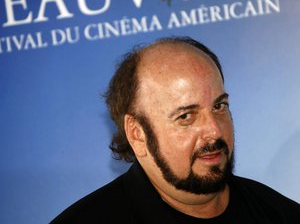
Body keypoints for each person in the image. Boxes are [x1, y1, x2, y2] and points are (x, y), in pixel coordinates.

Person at [51, 36, 300, 223]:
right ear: (137, 133)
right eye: (186, 116)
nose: (214, 130)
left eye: (219, 106)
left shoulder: (278, 213)